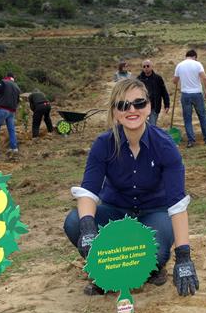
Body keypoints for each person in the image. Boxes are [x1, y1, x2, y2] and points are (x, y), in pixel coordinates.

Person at [63, 78, 199, 297]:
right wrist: (88, 228)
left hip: (154, 213)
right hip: (115, 210)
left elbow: (177, 204)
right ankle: (106, 271)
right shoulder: (103, 144)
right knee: (73, 222)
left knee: (155, 252)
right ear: (115, 112)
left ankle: (149, 269)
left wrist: (183, 256)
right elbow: (88, 192)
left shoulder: (165, 146)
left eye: (139, 103)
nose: (132, 110)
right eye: (123, 105)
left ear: (149, 107)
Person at [173, 49, 206, 148]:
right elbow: (205, 78)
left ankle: (191, 141)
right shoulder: (197, 64)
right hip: (197, 94)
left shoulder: (179, 65)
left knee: (187, 119)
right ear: (194, 56)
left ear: (186, 56)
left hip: (185, 94)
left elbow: (174, 81)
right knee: (202, 116)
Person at [0, 72, 21, 153]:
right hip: (12, 111)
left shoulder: (4, 82)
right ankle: (14, 148)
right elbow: (17, 100)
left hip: (3, 109)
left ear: (7, 76)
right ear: (13, 78)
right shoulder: (17, 86)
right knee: (11, 129)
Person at [137, 59, 170, 126]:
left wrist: (167, 104)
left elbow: (164, 92)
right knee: (141, 126)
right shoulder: (138, 79)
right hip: (142, 107)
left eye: (148, 66)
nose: (146, 68)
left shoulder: (158, 78)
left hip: (154, 106)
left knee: (152, 126)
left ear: (152, 67)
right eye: (144, 66)